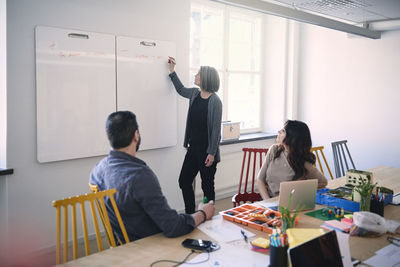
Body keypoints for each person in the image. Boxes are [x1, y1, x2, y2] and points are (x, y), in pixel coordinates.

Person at [89, 111, 215, 241]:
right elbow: (172, 227)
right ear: (136, 135)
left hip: (122, 244)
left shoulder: (97, 171)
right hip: (150, 246)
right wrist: (203, 213)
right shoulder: (140, 176)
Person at [168, 57, 222, 214]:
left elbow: (216, 130)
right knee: (184, 181)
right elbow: (180, 89)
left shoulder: (215, 101)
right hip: (193, 148)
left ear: (205, 78)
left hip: (207, 151)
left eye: (198, 74)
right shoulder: (194, 94)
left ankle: (209, 215)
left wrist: (211, 153)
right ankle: (190, 214)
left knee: (207, 187)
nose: (195, 76)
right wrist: (172, 71)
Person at [257, 120, 328, 199]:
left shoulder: (303, 161)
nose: (279, 131)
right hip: (267, 201)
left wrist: (302, 186)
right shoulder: (274, 150)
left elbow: (323, 182)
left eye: (283, 131)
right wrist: (267, 202)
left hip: (287, 204)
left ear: (292, 137)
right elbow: (260, 179)